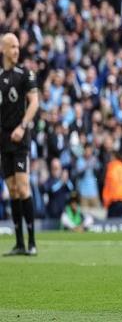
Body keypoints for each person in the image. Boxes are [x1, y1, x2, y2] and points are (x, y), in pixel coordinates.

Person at [0, 33, 39, 256]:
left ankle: (32, 243)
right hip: (3, 140)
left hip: (20, 137)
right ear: (3, 49)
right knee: (12, 190)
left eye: (17, 46)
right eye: (12, 47)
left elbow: (34, 102)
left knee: (23, 186)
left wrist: (22, 126)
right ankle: (19, 243)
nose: (16, 50)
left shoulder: (25, 73)